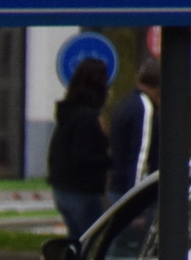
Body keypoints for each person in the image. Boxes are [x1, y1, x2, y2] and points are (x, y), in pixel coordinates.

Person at [45, 57, 112, 239]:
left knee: (76, 241)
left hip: (62, 188)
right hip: (81, 190)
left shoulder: (68, 113)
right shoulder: (87, 118)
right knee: (93, 241)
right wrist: (110, 159)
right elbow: (83, 156)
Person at [107, 56, 159, 193]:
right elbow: (140, 155)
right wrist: (135, 200)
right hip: (131, 191)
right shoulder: (144, 108)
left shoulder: (127, 103)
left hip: (118, 186)